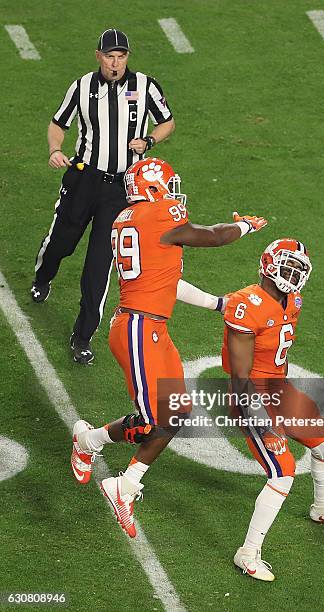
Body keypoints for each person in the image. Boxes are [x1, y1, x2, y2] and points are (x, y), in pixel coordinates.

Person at [70, 157, 267, 538]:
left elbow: (164, 282)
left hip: (149, 327)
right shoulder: (158, 215)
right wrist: (245, 225)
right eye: (168, 185)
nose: (174, 193)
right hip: (137, 329)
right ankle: (116, 481)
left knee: (175, 412)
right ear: (155, 188)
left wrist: (217, 303)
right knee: (151, 422)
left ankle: (98, 452)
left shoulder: (127, 220)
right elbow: (211, 235)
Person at [222, 239, 324, 582]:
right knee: (283, 471)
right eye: (288, 265)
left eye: (299, 268)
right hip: (250, 398)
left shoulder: (293, 300)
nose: (294, 274)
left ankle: (323, 506)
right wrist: (267, 425)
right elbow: (241, 379)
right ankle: (248, 552)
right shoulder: (247, 306)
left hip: (278, 391)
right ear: (268, 264)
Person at [31, 29, 175, 365]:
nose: (115, 62)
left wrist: (150, 141)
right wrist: (55, 149)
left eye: (121, 56)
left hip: (122, 189)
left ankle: (82, 336)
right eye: (109, 56)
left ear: (128, 57)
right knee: (61, 242)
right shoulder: (82, 87)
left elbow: (167, 122)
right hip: (84, 178)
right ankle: (43, 277)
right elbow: (58, 123)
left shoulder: (146, 86)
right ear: (98, 56)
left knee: (99, 266)